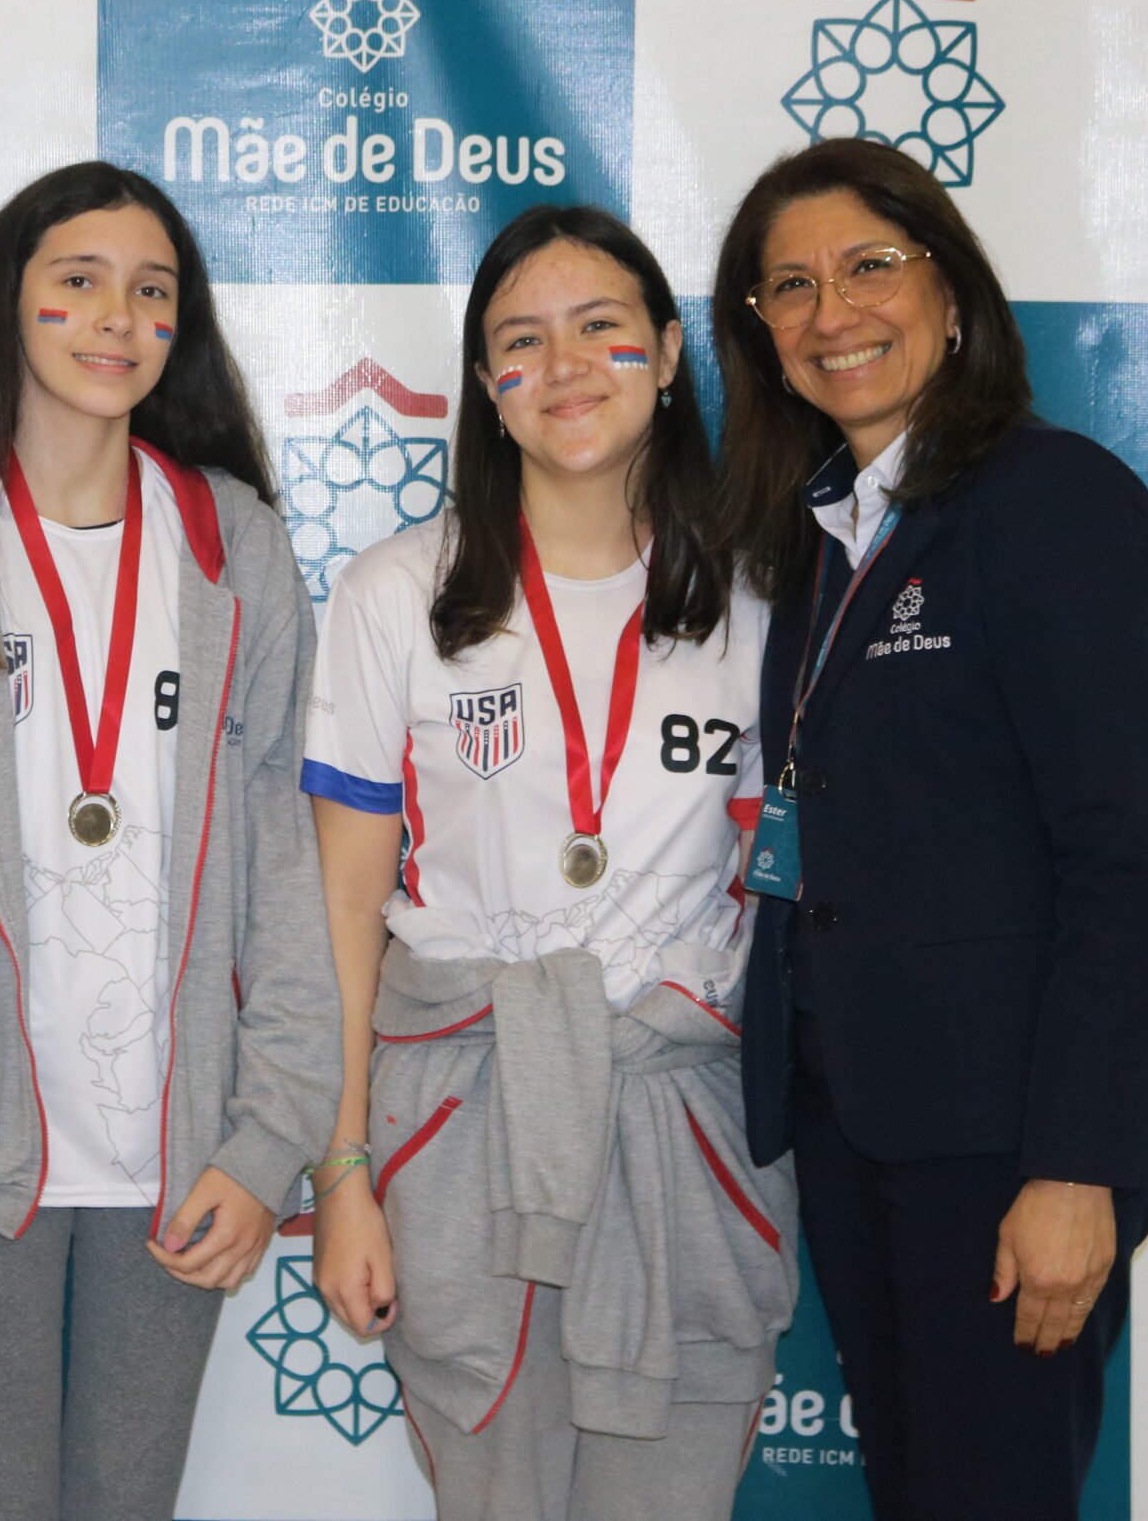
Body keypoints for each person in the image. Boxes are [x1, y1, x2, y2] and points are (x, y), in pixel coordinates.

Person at [0, 160, 340, 1521]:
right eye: (80, 282)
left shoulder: (233, 546)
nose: (118, 318)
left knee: (125, 1502)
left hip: (184, 1150)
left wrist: (267, 1136)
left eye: (153, 292)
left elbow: (285, 868)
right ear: (8, 305)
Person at [712, 136, 1148, 1520]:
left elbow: (1120, 860)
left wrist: (1076, 1165)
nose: (831, 313)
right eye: (790, 287)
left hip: (1006, 1137)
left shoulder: (1048, 502)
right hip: (856, 1117)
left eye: (870, 266)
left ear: (952, 290)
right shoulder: (820, 535)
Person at [305, 205, 798, 1521]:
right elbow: (344, 909)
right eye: (522, 341)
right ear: (485, 381)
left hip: (680, 1128)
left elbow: (788, 894)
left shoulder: (763, 597)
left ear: (671, 353)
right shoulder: (397, 593)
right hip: (466, 1119)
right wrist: (341, 1173)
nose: (565, 366)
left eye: (601, 328)